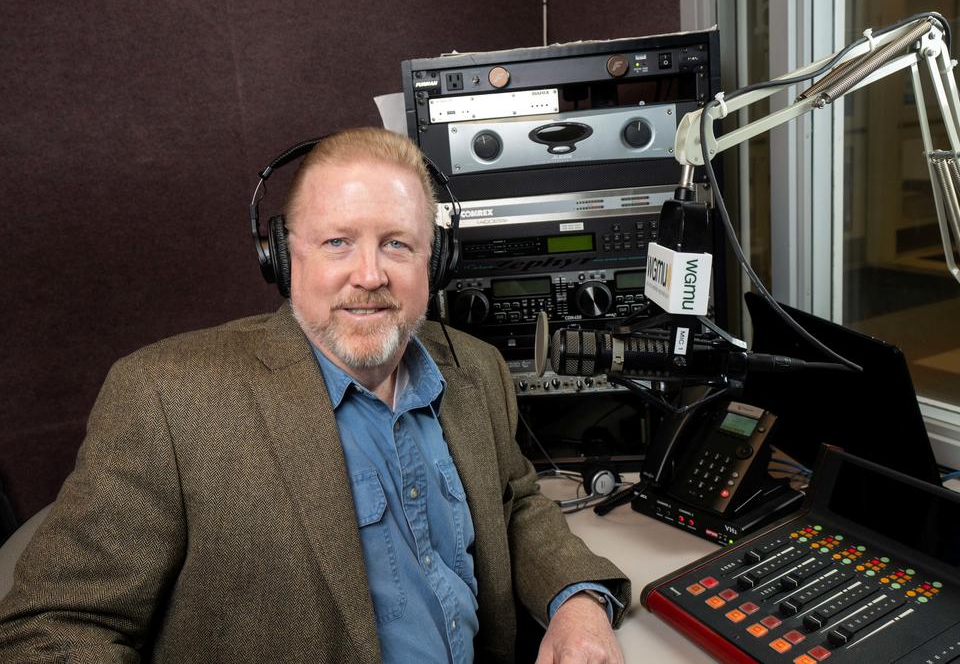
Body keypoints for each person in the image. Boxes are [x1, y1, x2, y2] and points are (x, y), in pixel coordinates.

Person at [0, 128, 630, 663]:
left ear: (435, 264)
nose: (370, 275)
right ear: (281, 257)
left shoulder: (477, 370)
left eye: (396, 244)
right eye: (337, 242)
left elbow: (517, 504)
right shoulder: (166, 397)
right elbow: (52, 631)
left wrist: (575, 600)